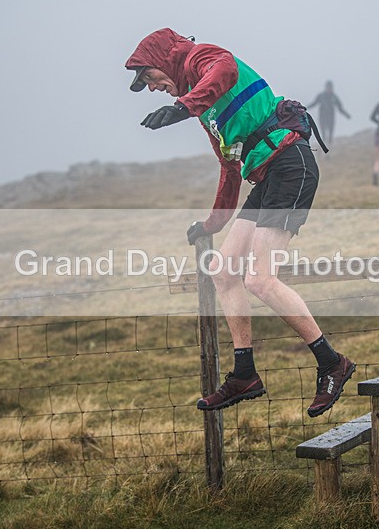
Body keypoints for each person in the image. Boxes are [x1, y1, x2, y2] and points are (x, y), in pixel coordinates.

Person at [125, 28, 355, 418]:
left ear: (164, 60)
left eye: (149, 77)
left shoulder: (202, 57)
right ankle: (245, 374)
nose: (151, 88)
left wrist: (182, 106)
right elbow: (230, 170)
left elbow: (225, 69)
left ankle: (332, 363)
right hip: (265, 176)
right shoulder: (207, 112)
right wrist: (211, 225)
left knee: (259, 279)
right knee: (223, 272)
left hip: (290, 164)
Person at [308, 80, 350, 145]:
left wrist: (346, 114)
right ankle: (324, 146)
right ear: (325, 87)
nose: (329, 89)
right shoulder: (321, 96)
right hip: (322, 117)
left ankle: (330, 147)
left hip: (331, 118)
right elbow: (314, 103)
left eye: (330, 87)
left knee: (330, 134)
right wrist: (306, 108)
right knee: (323, 134)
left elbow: (340, 108)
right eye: (328, 87)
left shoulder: (334, 97)